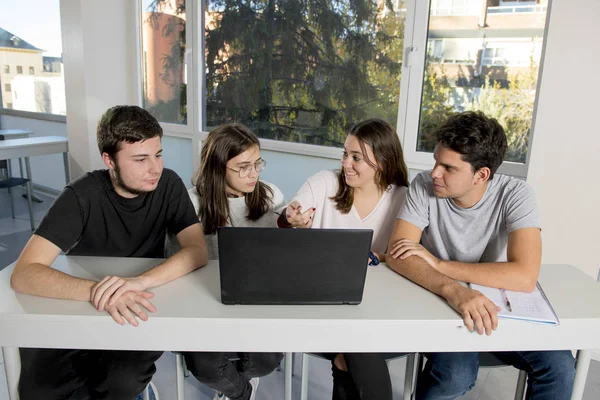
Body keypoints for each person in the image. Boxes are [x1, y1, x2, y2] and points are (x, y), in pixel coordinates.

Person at [10, 105, 208, 400]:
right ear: (109, 160)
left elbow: (197, 251)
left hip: (136, 303)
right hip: (84, 303)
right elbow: (24, 273)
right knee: (41, 388)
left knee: (121, 381)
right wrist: (99, 291)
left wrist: (139, 282)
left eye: (158, 154)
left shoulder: (169, 185)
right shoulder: (81, 195)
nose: (155, 168)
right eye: (140, 159)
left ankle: (140, 391)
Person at [387, 111, 575, 399]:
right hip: (437, 297)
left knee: (560, 367)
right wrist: (453, 291)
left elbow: (524, 276)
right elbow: (398, 254)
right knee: (455, 376)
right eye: (436, 161)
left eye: (448, 167)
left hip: (499, 301)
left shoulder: (516, 194)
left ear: (482, 174)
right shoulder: (424, 185)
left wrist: (438, 263)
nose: (435, 172)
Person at [278, 118, 409, 400]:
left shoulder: (402, 198)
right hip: (320, 301)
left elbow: (410, 253)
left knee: (347, 355)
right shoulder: (325, 182)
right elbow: (289, 213)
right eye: (345, 154)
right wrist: (292, 217)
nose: (345, 163)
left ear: (382, 163)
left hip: (378, 306)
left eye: (356, 158)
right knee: (357, 347)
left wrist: (382, 257)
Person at [168, 123, 285, 400]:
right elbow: (176, 259)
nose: (253, 173)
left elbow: (284, 254)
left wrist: (293, 227)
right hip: (203, 300)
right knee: (206, 367)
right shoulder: (191, 202)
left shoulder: (270, 195)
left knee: (267, 361)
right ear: (219, 167)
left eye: (258, 164)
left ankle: (234, 388)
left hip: (258, 300)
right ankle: (242, 393)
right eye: (244, 166)